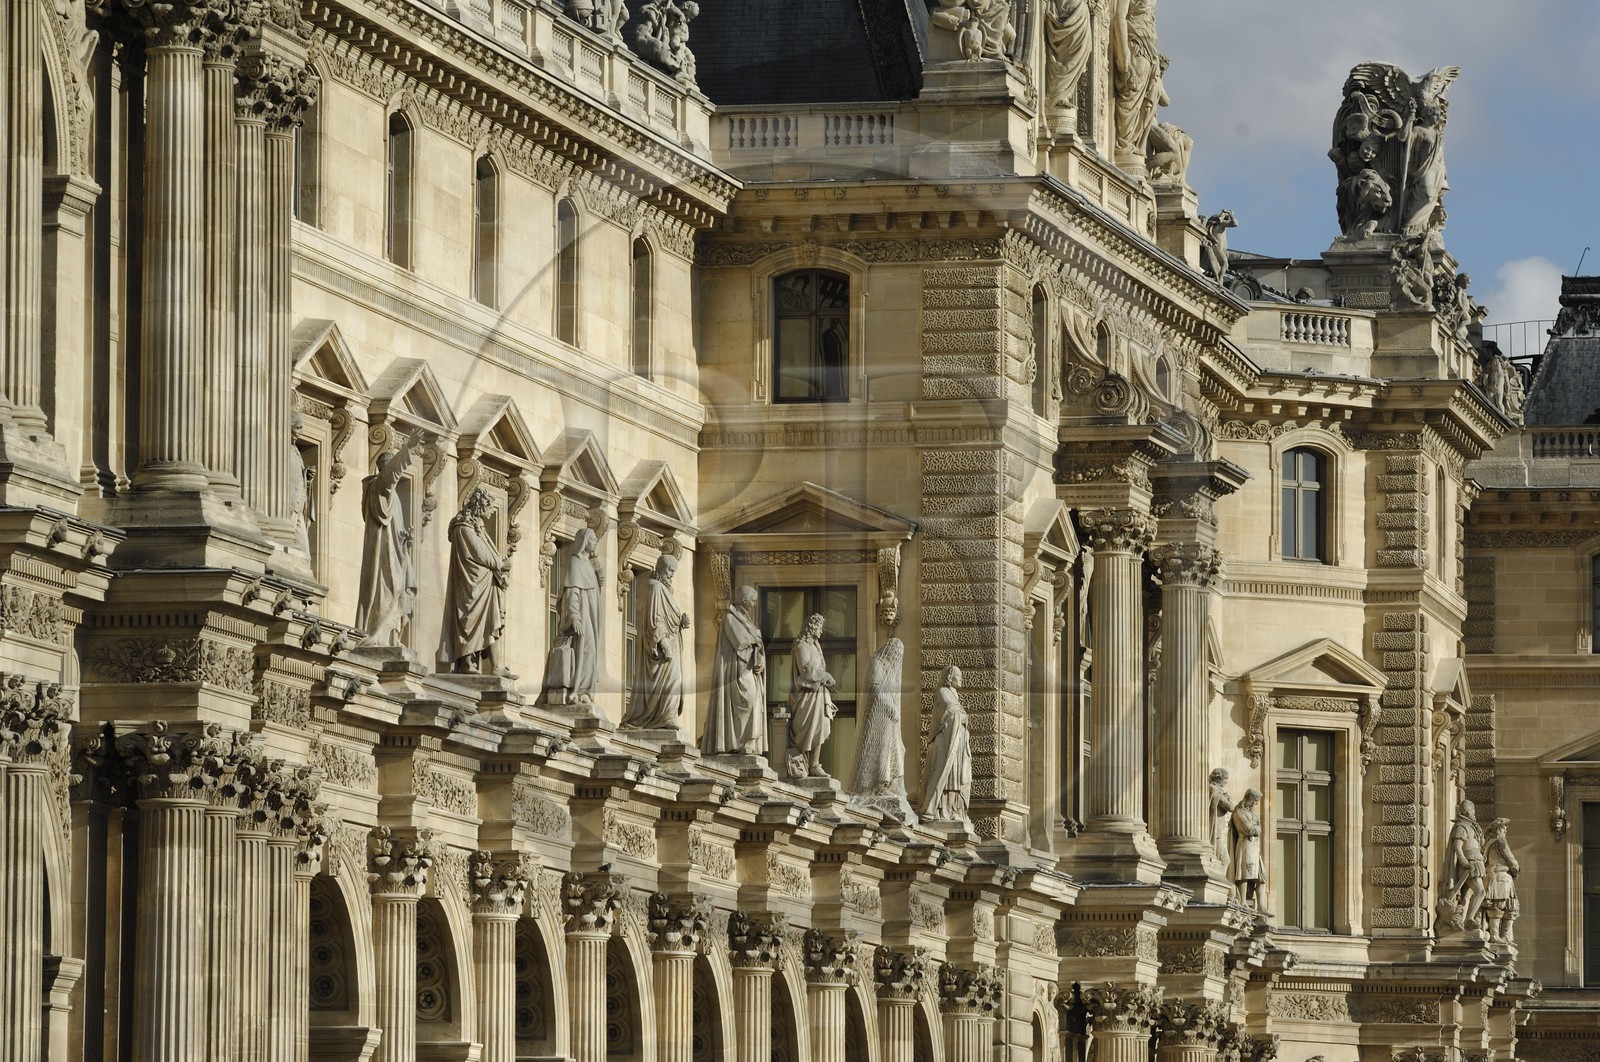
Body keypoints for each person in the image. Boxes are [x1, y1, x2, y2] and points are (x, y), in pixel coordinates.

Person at [355, 430, 425, 648]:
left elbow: (394, 526)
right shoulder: (379, 487)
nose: (397, 475)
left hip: (395, 551)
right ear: (384, 468)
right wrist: (408, 448)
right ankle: (377, 636)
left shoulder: (391, 495)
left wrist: (405, 539)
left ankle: (392, 637)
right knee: (388, 590)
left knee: (397, 591)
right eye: (392, 467)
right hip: (383, 555)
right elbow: (391, 475)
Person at [440, 488, 510, 675]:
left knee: (491, 622)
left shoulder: (477, 526)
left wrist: (498, 564)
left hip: (484, 585)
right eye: (490, 507)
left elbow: (486, 551)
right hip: (471, 585)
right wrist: (500, 564)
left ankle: (497, 666)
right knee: (468, 621)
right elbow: (478, 553)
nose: (491, 512)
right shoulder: (463, 527)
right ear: (481, 505)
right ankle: (466, 662)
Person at [620, 555, 691, 730]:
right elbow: (654, 619)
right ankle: (664, 717)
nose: (672, 574)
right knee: (671, 682)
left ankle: (667, 716)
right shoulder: (655, 587)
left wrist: (680, 621)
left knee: (674, 681)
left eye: (674, 571)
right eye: (670, 570)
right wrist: (664, 643)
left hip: (672, 644)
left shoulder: (664, 590)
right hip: (662, 648)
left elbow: (667, 618)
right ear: (660, 568)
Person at [700, 586, 768, 757]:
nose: (754, 604)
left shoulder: (747, 621)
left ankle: (748, 742)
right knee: (748, 701)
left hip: (749, 669)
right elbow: (741, 643)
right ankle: (738, 742)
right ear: (744, 599)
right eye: (752, 600)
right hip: (736, 671)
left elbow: (757, 644)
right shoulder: (729, 618)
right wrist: (756, 640)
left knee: (755, 702)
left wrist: (761, 660)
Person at [548, 527, 603, 704]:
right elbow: (572, 592)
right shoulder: (576, 562)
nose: (595, 543)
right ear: (584, 541)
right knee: (585, 650)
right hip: (582, 613)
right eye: (592, 539)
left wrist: (599, 581)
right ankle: (579, 690)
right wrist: (575, 617)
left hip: (591, 613)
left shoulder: (589, 565)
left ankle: (586, 690)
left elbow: (591, 590)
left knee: (591, 651)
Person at [849, 638, 909, 797]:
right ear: (890, 649)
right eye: (896, 652)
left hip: (889, 719)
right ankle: (879, 785)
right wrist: (890, 706)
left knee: (897, 749)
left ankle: (890, 783)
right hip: (877, 719)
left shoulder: (890, 668)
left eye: (899, 654)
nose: (897, 656)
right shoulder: (876, 662)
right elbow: (874, 687)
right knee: (882, 749)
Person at [786, 613, 837, 778]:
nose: (821, 631)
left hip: (819, 694)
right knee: (808, 728)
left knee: (821, 727)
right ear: (812, 627)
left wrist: (825, 677)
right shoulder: (801, 645)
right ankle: (803, 762)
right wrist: (825, 675)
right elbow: (805, 671)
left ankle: (814, 764)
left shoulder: (816, 647)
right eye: (819, 627)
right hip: (806, 697)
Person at [920, 666, 973, 822]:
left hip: (957, 741)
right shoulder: (942, 692)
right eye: (959, 675)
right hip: (946, 741)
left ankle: (954, 810)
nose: (961, 679)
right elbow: (952, 711)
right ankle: (941, 810)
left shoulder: (954, 694)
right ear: (950, 677)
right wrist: (962, 716)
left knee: (956, 776)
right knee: (945, 773)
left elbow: (959, 713)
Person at [1446, 798, 1488, 932]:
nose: (1474, 812)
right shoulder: (1461, 827)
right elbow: (1458, 847)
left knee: (1467, 895)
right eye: (1473, 810)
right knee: (1480, 891)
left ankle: (1461, 922)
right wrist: (1464, 862)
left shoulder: (1471, 827)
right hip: (1470, 864)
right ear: (1467, 811)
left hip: (1476, 862)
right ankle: (1469, 919)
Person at [1482, 817, 1520, 943]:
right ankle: (1496, 936)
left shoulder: (1488, 844)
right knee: (1499, 907)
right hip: (1501, 878)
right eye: (1504, 829)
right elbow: (1511, 860)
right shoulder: (1501, 842)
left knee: (1508, 907)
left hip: (1496, 877)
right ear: (1498, 830)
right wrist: (1516, 869)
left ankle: (1503, 936)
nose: (1505, 832)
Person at [1232, 789, 1263, 908]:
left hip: (1255, 847)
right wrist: (1256, 828)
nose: (1255, 804)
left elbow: (1258, 828)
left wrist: (1256, 828)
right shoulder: (1239, 812)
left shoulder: (1252, 813)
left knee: (1261, 876)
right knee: (1245, 873)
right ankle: (1243, 901)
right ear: (1249, 798)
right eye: (1255, 801)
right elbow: (1248, 830)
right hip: (1246, 845)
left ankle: (1261, 906)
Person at [1209, 768, 1235, 877]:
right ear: (1218, 778)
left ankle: (1218, 879)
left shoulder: (1217, 790)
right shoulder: (1214, 789)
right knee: (1224, 859)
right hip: (1216, 830)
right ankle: (1218, 879)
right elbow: (1230, 807)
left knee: (1224, 859)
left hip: (1220, 830)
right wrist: (1229, 798)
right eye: (1225, 779)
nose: (1226, 781)